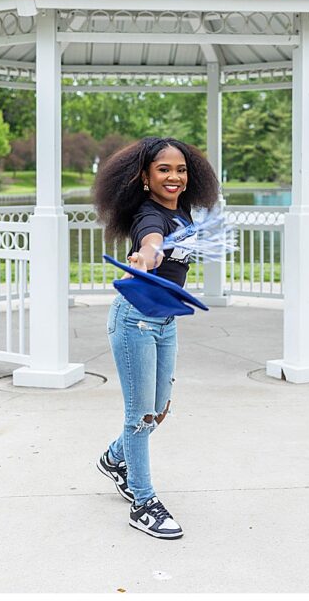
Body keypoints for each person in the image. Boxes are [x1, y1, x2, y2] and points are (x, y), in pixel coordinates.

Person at [90, 137, 220, 539]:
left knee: (159, 409)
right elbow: (151, 243)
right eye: (164, 169)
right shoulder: (150, 216)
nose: (174, 177)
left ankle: (115, 459)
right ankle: (143, 503)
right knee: (140, 416)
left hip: (165, 321)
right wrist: (144, 257)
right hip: (136, 322)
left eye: (180, 170)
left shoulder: (181, 211)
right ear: (144, 177)